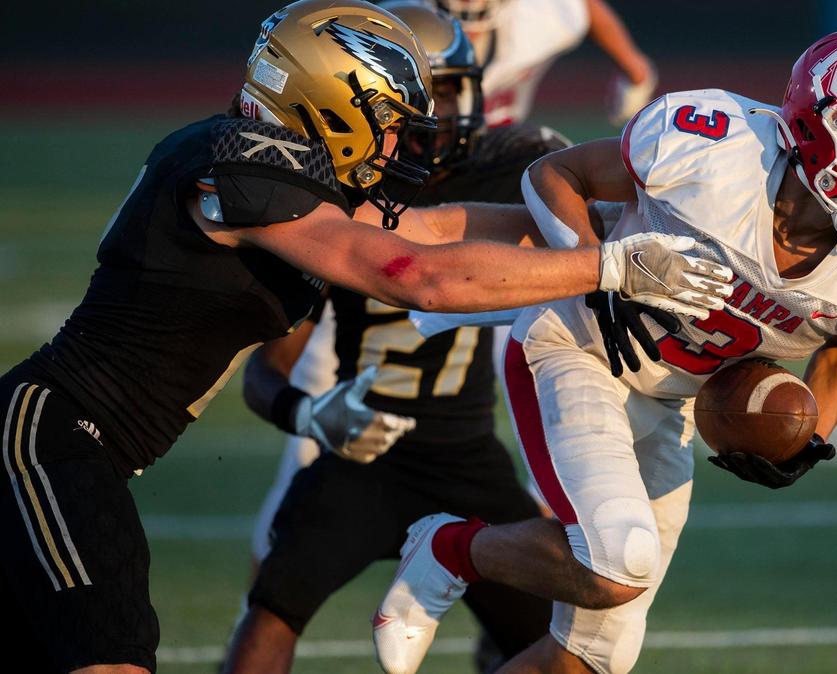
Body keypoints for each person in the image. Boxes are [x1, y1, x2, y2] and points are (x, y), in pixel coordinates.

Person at [0, 1, 734, 672]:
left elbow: (437, 227)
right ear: (324, 101)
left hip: (87, 444)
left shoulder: (270, 168)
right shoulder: (239, 162)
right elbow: (418, 273)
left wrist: (616, 225)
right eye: (385, 116)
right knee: (116, 656)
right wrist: (607, 266)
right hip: (56, 432)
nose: (395, 138)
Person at [371, 28, 837, 674]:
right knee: (617, 563)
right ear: (821, 130)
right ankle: (448, 549)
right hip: (580, 346)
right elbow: (554, 173)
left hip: (671, 400)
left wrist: (810, 431)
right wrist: (591, 272)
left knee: (594, 658)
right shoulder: (718, 155)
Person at [223, 4, 573, 672]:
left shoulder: (515, 166)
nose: (434, 114)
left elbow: (593, 198)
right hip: (362, 456)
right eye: (420, 96)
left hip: (468, 454)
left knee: (555, 629)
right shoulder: (339, 192)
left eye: (447, 91)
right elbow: (266, 370)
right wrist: (313, 415)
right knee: (273, 604)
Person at [436, 0, 657, 127]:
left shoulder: (532, 24)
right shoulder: (406, 18)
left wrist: (636, 69)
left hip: (497, 143)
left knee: (554, 163)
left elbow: (582, 9)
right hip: (422, 145)